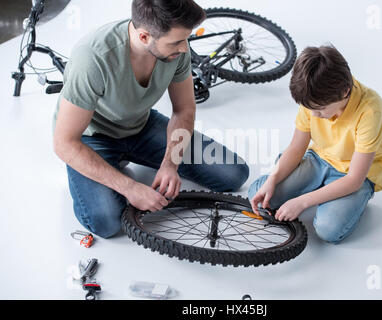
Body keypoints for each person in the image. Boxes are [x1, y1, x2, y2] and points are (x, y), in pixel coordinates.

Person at [53, 0, 249, 239]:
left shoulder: (177, 50)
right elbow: (64, 143)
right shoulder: (93, 58)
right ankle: (96, 170)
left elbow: (184, 109)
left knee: (233, 174)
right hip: (92, 139)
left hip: (140, 126)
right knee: (107, 222)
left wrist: (171, 163)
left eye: (185, 39)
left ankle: (122, 165)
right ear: (144, 37)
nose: (185, 48)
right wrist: (130, 187)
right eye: (176, 42)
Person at [248, 45, 382, 244]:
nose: (314, 115)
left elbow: (354, 179)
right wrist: (272, 179)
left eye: (321, 110)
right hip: (319, 159)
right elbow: (296, 148)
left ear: (344, 92)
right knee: (258, 193)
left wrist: (302, 202)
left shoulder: (371, 110)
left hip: (354, 175)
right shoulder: (312, 99)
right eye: (309, 109)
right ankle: (316, 188)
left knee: (328, 230)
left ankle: (351, 198)